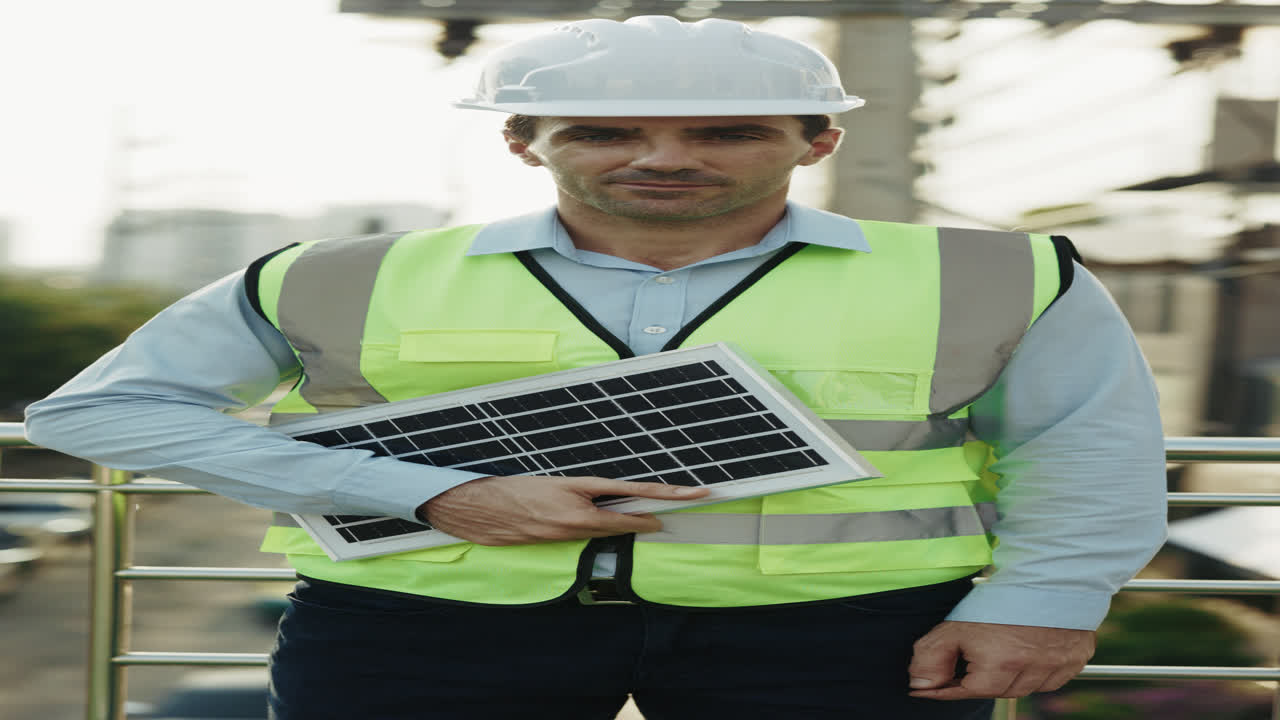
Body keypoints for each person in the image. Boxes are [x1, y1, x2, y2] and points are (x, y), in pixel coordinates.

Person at [24, 15, 1167, 720]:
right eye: (605, 130)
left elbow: (1083, 452)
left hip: (843, 636)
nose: (662, 156)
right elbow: (109, 412)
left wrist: (1043, 604)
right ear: (525, 139)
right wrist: (428, 493)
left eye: (723, 133)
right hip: (420, 626)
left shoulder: (1002, 274)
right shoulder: (330, 273)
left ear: (817, 138)